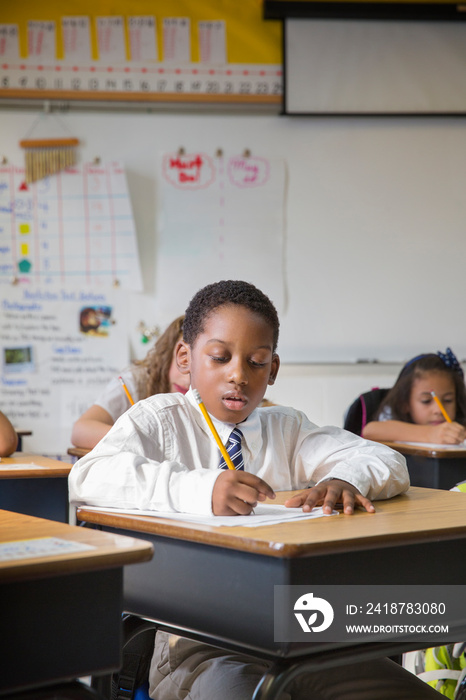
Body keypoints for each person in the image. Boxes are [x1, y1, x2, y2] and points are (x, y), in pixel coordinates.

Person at [69, 280, 438, 700]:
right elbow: (89, 476)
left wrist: (346, 479)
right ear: (186, 358)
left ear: (274, 369)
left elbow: (388, 461)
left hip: (296, 628)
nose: (239, 375)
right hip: (199, 638)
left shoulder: (288, 427)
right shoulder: (159, 419)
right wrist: (201, 488)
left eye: (257, 362)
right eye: (220, 357)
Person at [71, 315, 189, 450]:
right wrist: (142, 439)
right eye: (184, 360)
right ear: (168, 354)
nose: (187, 380)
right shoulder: (137, 381)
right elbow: (81, 431)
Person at [362, 349, 466, 445]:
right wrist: (431, 434)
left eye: (448, 400)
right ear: (405, 403)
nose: (438, 410)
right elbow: (370, 431)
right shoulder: (391, 418)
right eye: (426, 401)